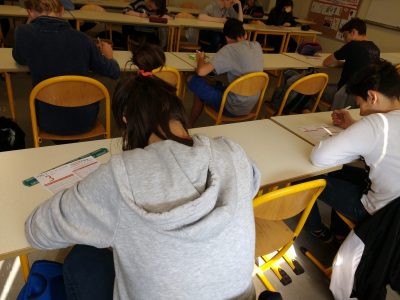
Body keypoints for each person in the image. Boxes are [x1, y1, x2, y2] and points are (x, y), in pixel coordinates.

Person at [24, 43, 261, 300]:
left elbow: (38, 231)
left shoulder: (119, 177)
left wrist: (88, 195)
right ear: (178, 111)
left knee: (81, 256)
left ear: (126, 120)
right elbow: (252, 185)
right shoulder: (232, 152)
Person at [307, 60, 400, 242]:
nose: (362, 112)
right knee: (342, 173)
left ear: (372, 97)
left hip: (380, 215)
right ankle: (341, 234)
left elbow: (319, 158)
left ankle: (318, 231)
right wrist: (353, 126)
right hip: (394, 206)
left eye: (360, 104)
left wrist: (352, 132)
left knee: (304, 179)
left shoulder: (377, 124)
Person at [12, 0, 120, 137]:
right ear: (62, 11)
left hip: (47, 121)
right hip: (84, 121)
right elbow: (114, 72)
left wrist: (29, 24)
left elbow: (19, 58)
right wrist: (109, 57)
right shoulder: (83, 39)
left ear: (30, 12)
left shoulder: (23, 33)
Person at [188, 18, 263, 127]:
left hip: (232, 107)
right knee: (208, 84)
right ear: (245, 34)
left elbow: (201, 71)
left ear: (227, 38)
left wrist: (200, 58)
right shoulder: (257, 46)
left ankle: (189, 125)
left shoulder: (229, 49)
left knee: (193, 79)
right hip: (250, 105)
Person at [323, 18, 380, 109]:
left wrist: (339, 63)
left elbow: (327, 62)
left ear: (353, 32)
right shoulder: (375, 49)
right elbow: (359, 64)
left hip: (346, 93)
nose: (345, 40)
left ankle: (307, 111)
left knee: (314, 88)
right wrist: (344, 64)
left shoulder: (352, 46)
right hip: (364, 96)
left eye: (345, 36)